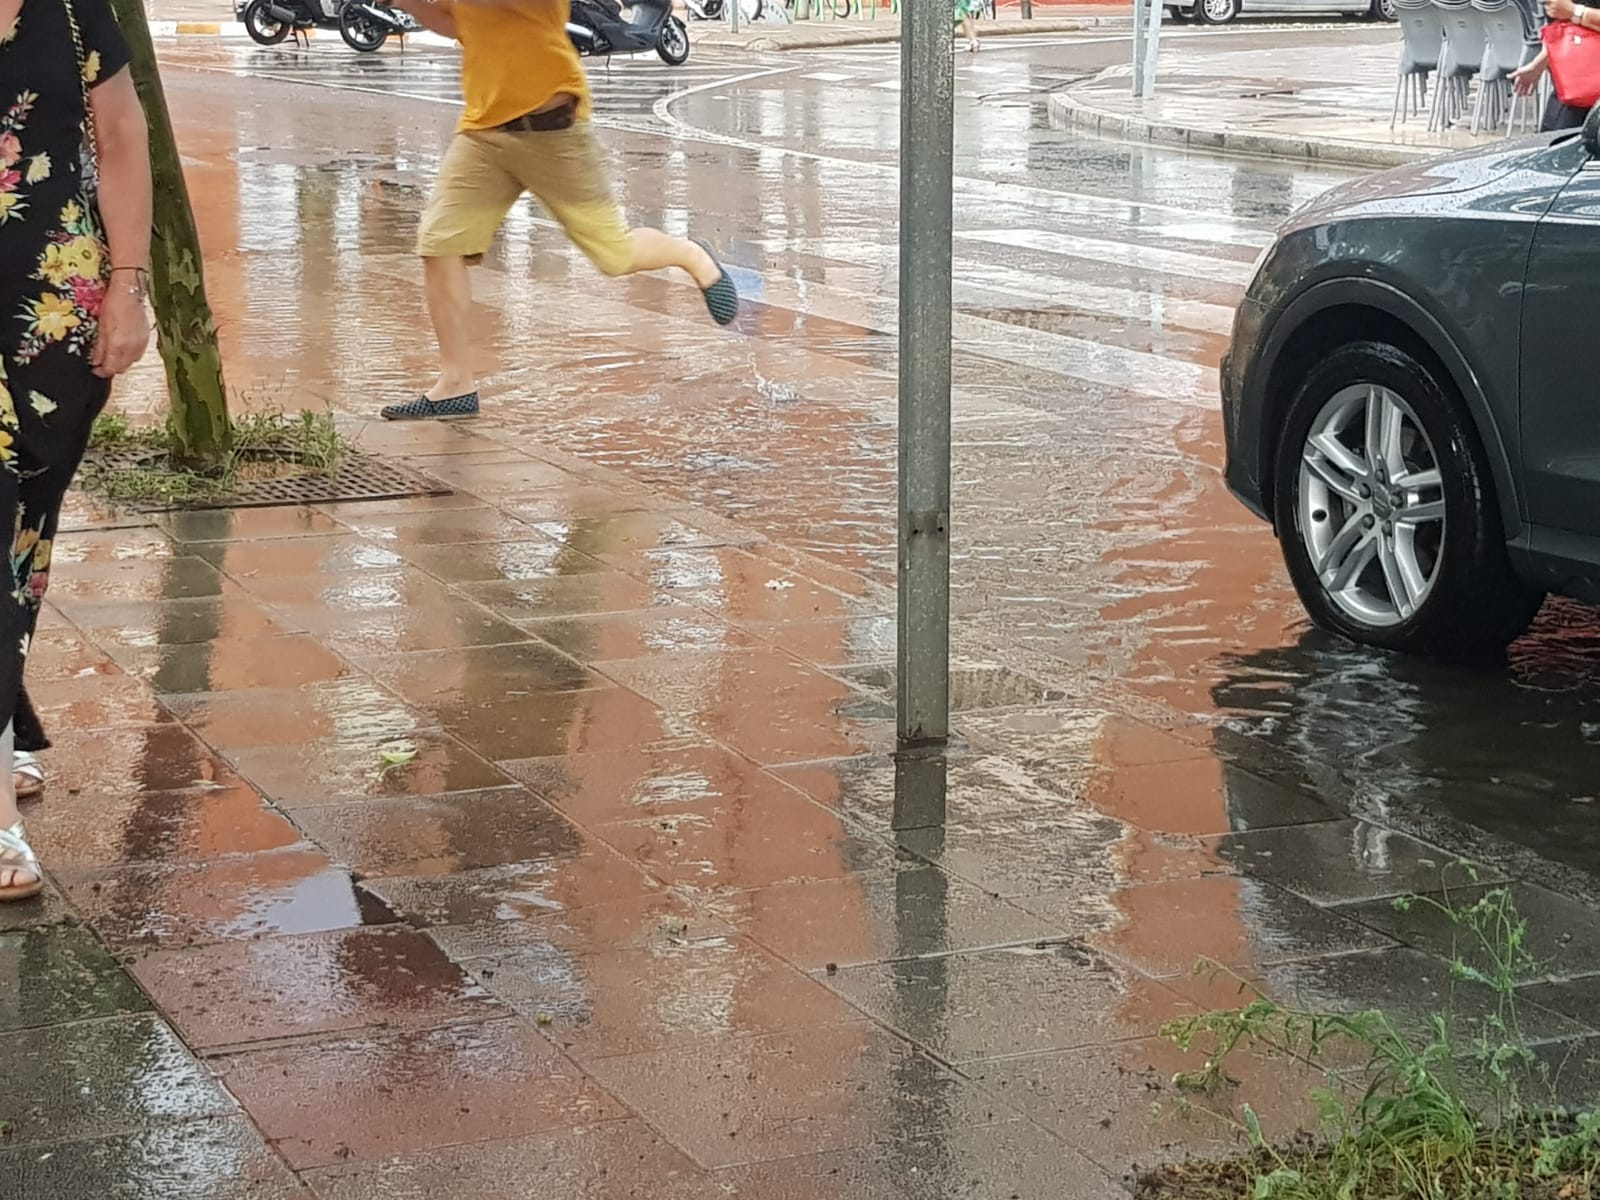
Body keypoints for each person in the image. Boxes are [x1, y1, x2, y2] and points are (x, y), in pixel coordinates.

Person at [378, 0, 740, 422]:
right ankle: (456, 383)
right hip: (485, 131)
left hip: (555, 133)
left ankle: (690, 253)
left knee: (614, 255)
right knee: (440, 244)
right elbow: (455, 21)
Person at [0, 0, 152, 900]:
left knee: (24, 541)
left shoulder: (70, 6)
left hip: (56, 312)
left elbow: (122, 130)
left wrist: (129, 286)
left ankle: (11, 727)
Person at [1512, 0, 1600, 130]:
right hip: (1574, 87)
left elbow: (1568, 13)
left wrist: (1575, 12)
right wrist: (1539, 63)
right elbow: (1569, 30)